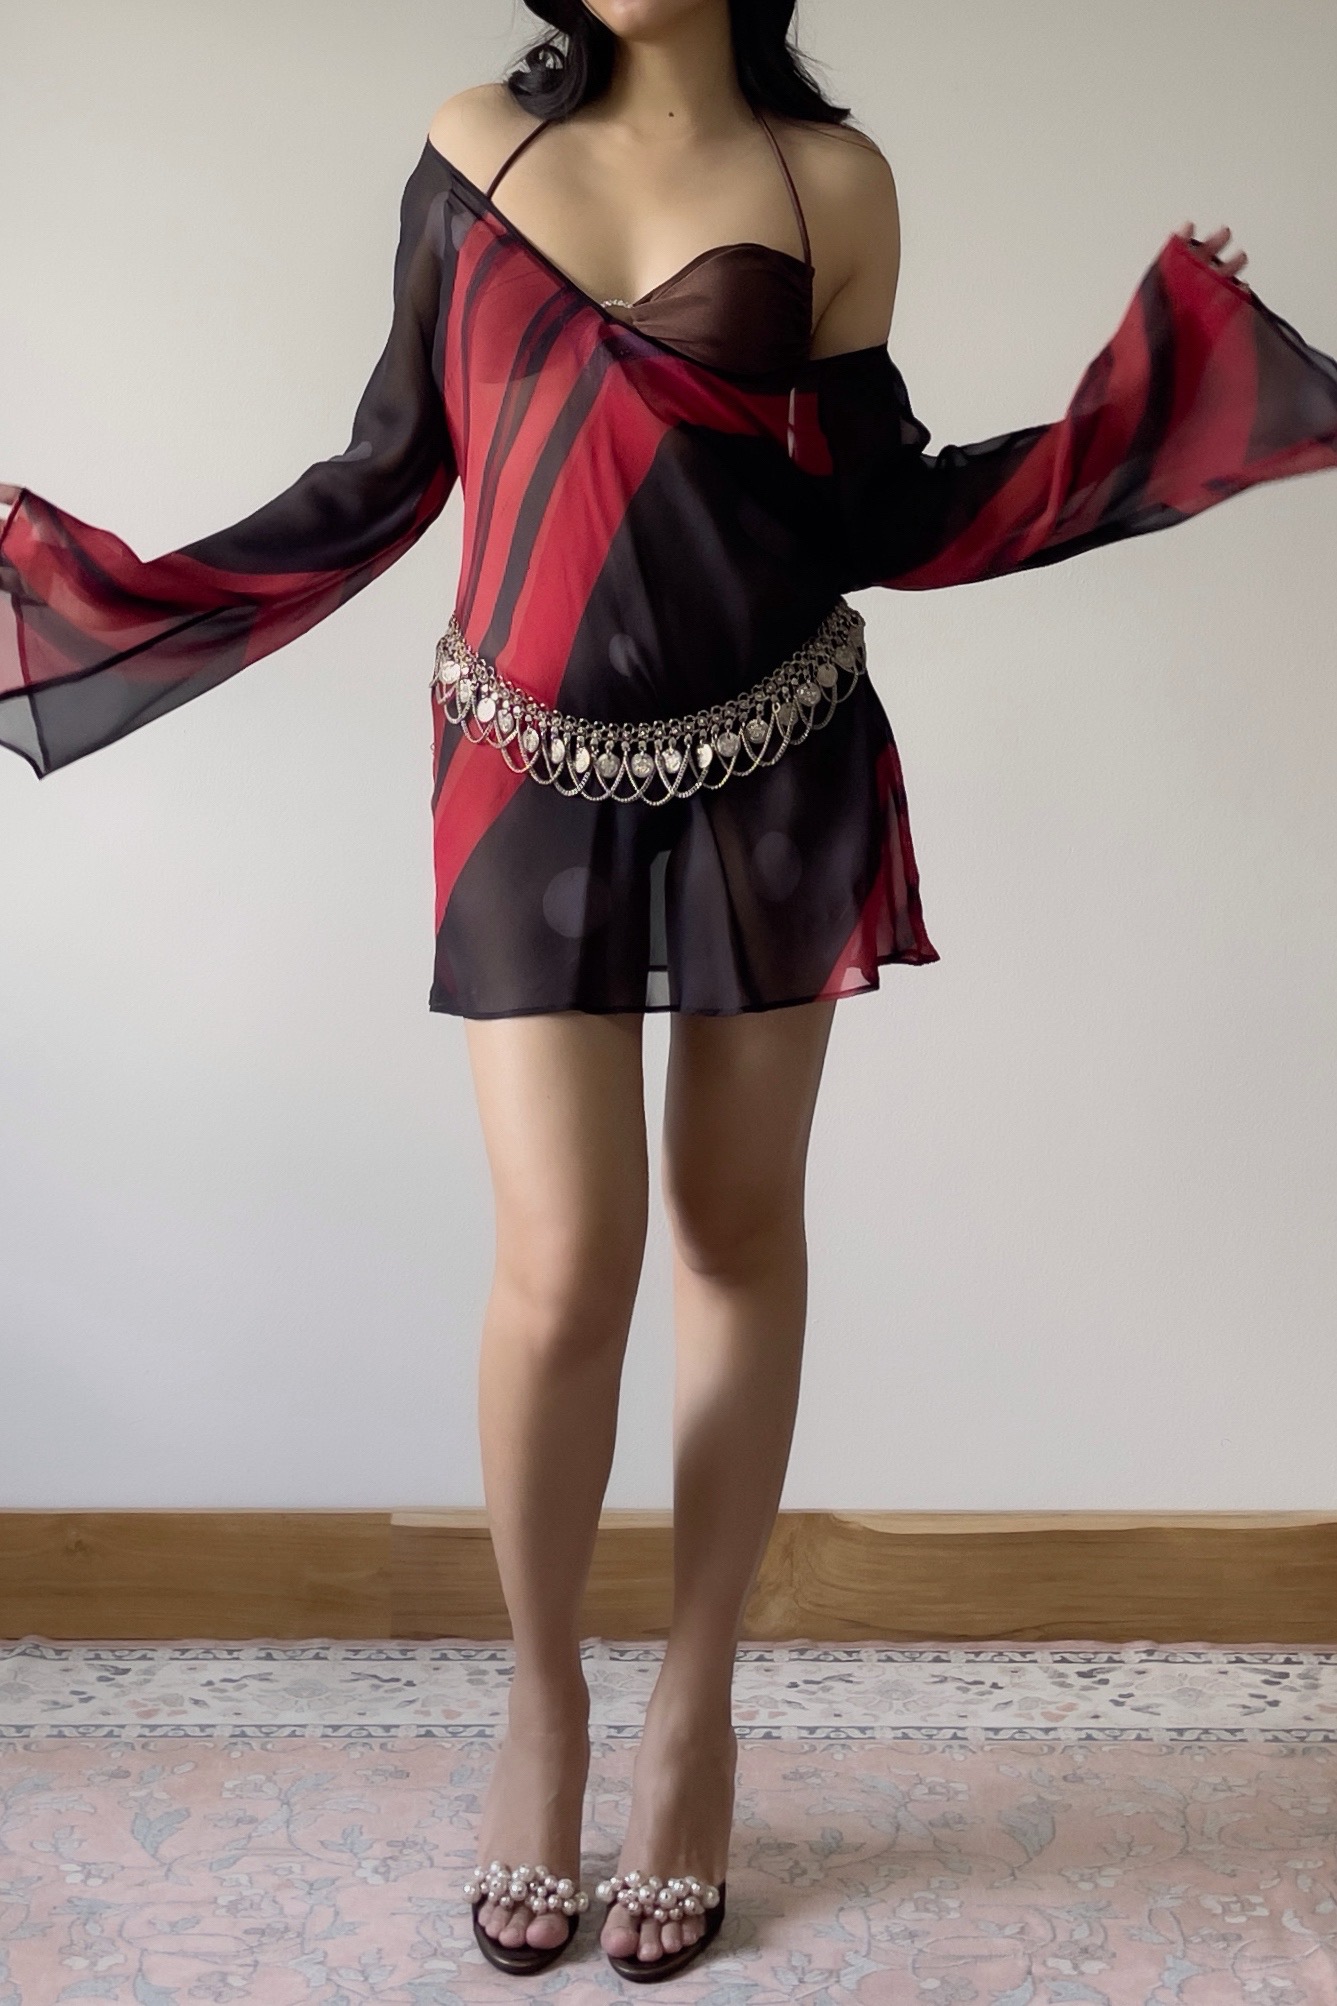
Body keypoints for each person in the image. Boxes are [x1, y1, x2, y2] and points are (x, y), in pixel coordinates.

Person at [3, 0, 1335, 1984]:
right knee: (563, 1266)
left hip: (773, 754)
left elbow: (882, 510)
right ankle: (543, 1703)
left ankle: (693, 1716)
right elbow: (385, 470)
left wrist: (1160, 396)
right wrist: (104, 597)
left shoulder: (832, 183)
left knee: (732, 1232)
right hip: (514, 763)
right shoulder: (474, 147)